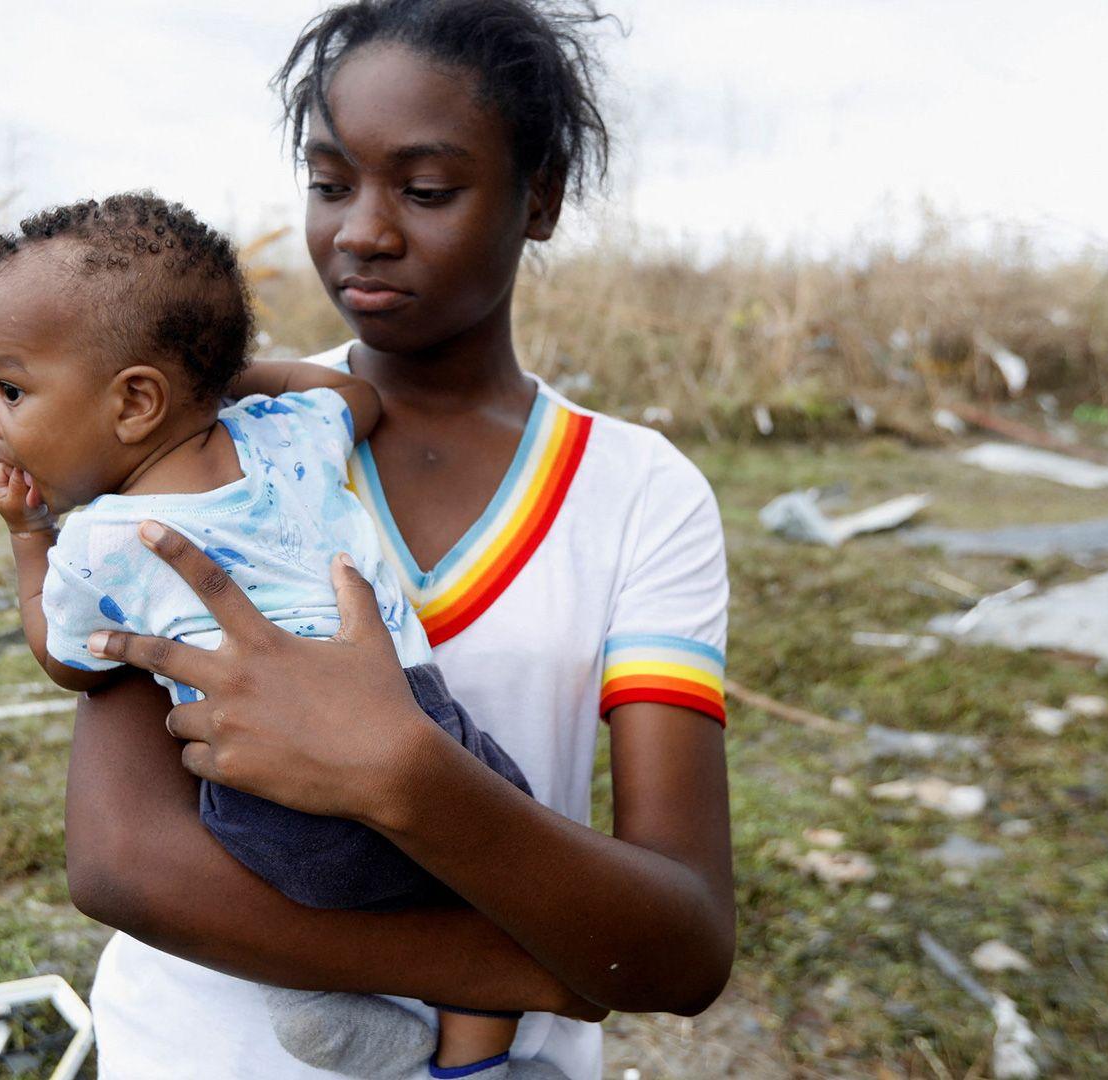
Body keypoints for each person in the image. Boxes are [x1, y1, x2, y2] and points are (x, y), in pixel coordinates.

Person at [68, 2, 736, 1077]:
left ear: (543, 198)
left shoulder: (640, 495)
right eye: (330, 183)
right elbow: (121, 862)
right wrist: (522, 967)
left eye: (425, 189)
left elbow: (685, 941)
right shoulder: (211, 441)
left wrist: (403, 769)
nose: (363, 229)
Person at [0, 190, 559, 1078]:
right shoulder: (290, 434)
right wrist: (226, 378)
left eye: (9, 389)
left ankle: (318, 995)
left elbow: (68, 664)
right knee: (479, 910)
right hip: (429, 744)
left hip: (278, 812)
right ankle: (474, 1064)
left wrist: (28, 541)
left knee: (276, 895)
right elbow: (356, 396)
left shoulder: (102, 544)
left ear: (136, 403)